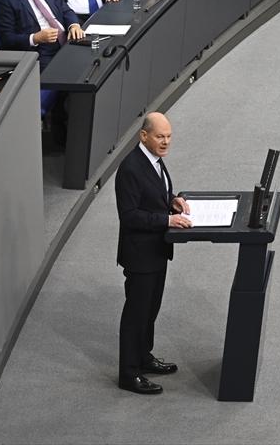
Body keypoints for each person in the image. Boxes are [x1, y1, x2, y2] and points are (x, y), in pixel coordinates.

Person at [116, 111, 191, 395]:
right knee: (136, 315)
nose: (165, 142)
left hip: (157, 251)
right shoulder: (131, 168)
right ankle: (129, 373)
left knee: (150, 311)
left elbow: (155, 196)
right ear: (143, 135)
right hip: (140, 256)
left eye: (169, 136)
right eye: (160, 136)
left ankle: (144, 357)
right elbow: (130, 216)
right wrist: (167, 220)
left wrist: (172, 202)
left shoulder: (155, 162)